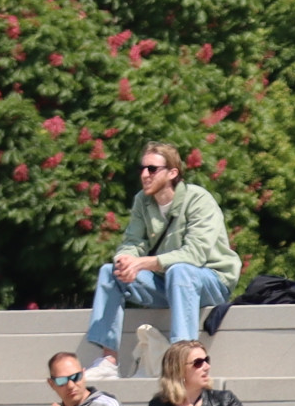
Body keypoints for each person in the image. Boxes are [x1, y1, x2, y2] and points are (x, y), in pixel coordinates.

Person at [77, 141, 239, 377]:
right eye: (142, 169)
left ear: (172, 172)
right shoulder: (142, 201)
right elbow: (132, 242)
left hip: (210, 280)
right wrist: (125, 261)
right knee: (109, 272)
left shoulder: (198, 199)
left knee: (180, 270)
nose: (145, 174)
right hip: (168, 283)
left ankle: (181, 359)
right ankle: (108, 362)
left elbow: (194, 255)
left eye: (152, 169)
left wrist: (142, 263)